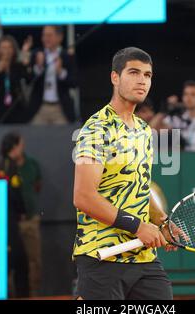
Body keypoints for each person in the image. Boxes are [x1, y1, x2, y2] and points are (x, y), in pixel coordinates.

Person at [73, 47, 184, 300]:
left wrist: (162, 221)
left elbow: (140, 187)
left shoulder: (144, 130)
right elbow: (83, 197)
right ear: (115, 77)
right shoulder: (96, 128)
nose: (142, 80)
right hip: (102, 255)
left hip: (143, 259)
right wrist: (137, 227)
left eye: (147, 75)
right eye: (134, 72)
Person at [0, 132, 42, 297]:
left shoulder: (30, 164)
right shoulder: (1, 166)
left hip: (29, 219)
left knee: (32, 260)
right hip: (9, 224)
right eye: (20, 144)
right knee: (11, 260)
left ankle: (32, 294)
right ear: (14, 147)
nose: (22, 147)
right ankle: (11, 294)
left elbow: (37, 184)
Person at [29, 26, 78, 125]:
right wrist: (39, 67)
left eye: (49, 35)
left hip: (60, 108)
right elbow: (28, 79)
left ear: (59, 37)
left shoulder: (67, 56)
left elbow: (74, 82)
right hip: (40, 107)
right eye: (44, 35)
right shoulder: (37, 54)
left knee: (62, 138)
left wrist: (60, 72)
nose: (46, 38)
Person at [0, 35, 33, 124]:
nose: (6, 51)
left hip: (15, 108)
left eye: (9, 47)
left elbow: (29, 79)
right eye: (3, 48)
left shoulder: (17, 66)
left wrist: (26, 64)